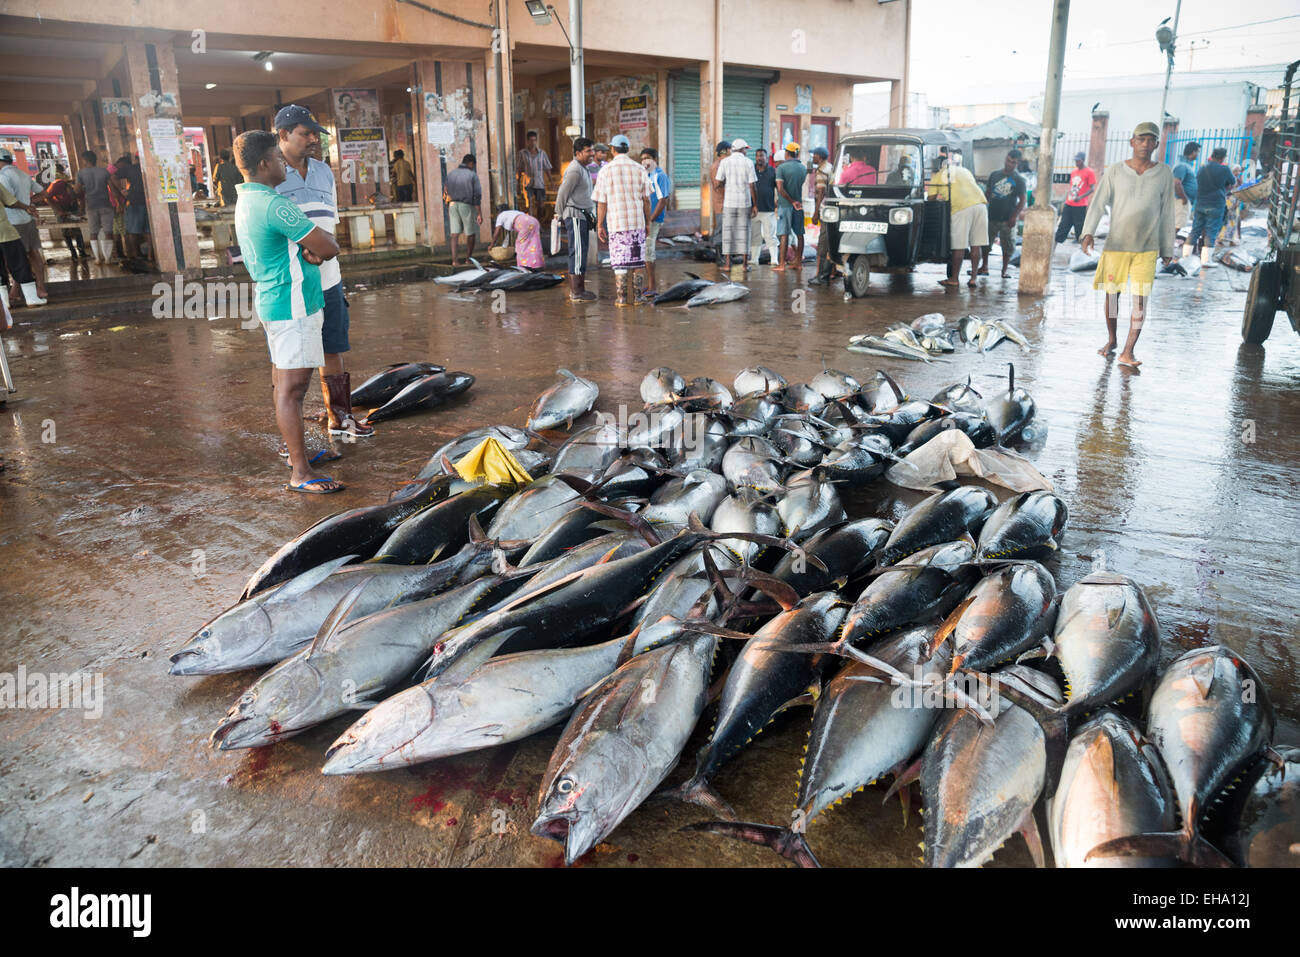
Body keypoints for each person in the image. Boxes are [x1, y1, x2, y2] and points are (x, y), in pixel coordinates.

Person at [232, 130, 344, 493]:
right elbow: (327, 246)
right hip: (292, 304)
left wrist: (307, 251)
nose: (284, 163)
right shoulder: (275, 204)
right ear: (265, 164)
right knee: (292, 389)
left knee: (287, 383)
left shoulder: (248, 199)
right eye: (278, 159)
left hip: (277, 299)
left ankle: (302, 457)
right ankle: (299, 472)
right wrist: (315, 250)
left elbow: (305, 248)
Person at [275, 103, 373, 440]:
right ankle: (292, 436)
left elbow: (328, 224)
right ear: (283, 134)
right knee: (293, 358)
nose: (313, 139)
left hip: (329, 275)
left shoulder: (323, 171)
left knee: (333, 346)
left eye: (315, 133)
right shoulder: (269, 174)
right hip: (294, 280)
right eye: (305, 133)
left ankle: (340, 417)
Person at [1080, 122, 1176, 371]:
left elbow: (1168, 211)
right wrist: (1088, 232)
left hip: (1147, 248)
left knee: (1140, 301)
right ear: (1131, 142)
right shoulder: (1115, 171)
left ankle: (1128, 350)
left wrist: (1167, 247)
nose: (1145, 144)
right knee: (1112, 296)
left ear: (1156, 144)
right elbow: (1099, 201)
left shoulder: (1164, 173)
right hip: (1116, 246)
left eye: (1150, 140)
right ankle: (1112, 340)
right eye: (1141, 139)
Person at [592, 133, 652, 306]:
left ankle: (622, 298)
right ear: (628, 149)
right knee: (638, 260)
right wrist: (648, 222)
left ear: (612, 149)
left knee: (619, 262)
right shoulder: (639, 168)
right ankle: (639, 297)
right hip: (636, 222)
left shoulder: (605, 170)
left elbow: (601, 201)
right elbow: (646, 200)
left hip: (616, 223)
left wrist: (599, 224)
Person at [926, 154, 988, 287]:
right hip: (980, 205)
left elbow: (930, 200)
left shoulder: (937, 177)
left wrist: (940, 197)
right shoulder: (965, 171)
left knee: (958, 246)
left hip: (961, 208)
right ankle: (973, 278)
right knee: (976, 244)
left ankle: (954, 279)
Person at [0, 149, 49, 300]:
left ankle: (18, 292)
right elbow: (43, 193)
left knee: (15, 259)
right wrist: (29, 204)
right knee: (34, 254)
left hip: (12, 223)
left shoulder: (2, 176)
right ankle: (40, 287)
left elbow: (8, 201)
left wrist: (24, 205)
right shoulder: (23, 174)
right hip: (28, 220)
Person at [557, 137, 597, 302]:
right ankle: (577, 292)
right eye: (588, 151)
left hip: (582, 216)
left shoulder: (584, 168)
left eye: (592, 151)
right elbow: (562, 193)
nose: (592, 154)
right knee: (578, 252)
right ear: (578, 153)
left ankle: (580, 290)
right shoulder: (574, 169)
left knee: (582, 251)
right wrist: (558, 215)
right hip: (574, 215)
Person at [714, 138, 758, 275]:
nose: (746, 151)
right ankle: (744, 265)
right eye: (746, 149)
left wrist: (725, 185)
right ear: (742, 149)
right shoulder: (749, 163)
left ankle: (727, 265)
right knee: (744, 233)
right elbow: (752, 185)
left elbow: (718, 182)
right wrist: (755, 204)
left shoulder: (725, 162)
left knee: (728, 233)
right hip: (744, 203)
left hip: (729, 203)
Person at [0, 178, 44, 307]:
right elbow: (10, 201)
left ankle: (3, 304)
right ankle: (31, 299)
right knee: (20, 263)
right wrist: (26, 207)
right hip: (5, 233)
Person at [1188, 146, 1234, 266]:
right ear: (1223, 157)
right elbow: (1232, 182)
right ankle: (1206, 260)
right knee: (1211, 231)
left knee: (1195, 230)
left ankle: (1186, 257)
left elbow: (1197, 182)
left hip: (1201, 203)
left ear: (1212, 155)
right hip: (1216, 204)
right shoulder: (1225, 169)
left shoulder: (1202, 169)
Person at [986, 149, 1026, 279]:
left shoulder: (1019, 179)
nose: (1010, 164)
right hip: (992, 215)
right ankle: (984, 266)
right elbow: (988, 193)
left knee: (1007, 246)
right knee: (986, 243)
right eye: (1008, 161)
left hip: (1007, 218)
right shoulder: (994, 175)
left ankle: (1004, 270)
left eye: (1013, 163)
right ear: (1005, 159)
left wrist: (1014, 216)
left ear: (1017, 164)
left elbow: (1022, 201)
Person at [640, 147, 672, 294]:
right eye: (642, 159)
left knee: (649, 252)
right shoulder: (647, 175)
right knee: (646, 252)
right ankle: (650, 284)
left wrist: (650, 219)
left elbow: (663, 200)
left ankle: (653, 287)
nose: (644, 161)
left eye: (647, 158)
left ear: (654, 159)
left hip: (653, 219)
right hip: (646, 218)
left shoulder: (660, 175)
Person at [444, 153, 483, 267]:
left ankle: (455, 261)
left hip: (452, 205)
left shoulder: (451, 173)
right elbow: (477, 195)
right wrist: (479, 213)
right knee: (470, 233)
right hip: (466, 205)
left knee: (454, 234)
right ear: (471, 163)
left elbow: (445, 189)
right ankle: (468, 259)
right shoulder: (472, 175)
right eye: (473, 165)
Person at [75, 150, 114, 264]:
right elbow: (112, 188)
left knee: (93, 232)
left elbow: (77, 190)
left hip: (91, 205)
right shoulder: (104, 171)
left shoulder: (81, 173)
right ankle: (108, 258)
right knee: (108, 231)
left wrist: (82, 189)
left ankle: (97, 258)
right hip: (105, 205)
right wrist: (119, 202)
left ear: (86, 160)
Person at [773, 142, 807, 272]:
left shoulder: (781, 168)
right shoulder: (803, 168)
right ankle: (798, 263)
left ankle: (781, 264)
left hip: (786, 205)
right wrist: (795, 201)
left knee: (784, 234)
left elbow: (780, 189)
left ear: (787, 153)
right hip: (799, 205)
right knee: (800, 234)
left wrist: (790, 201)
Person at [44, 167, 87, 261]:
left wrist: (81, 212)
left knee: (77, 227)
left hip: (72, 207)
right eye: (72, 196)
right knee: (65, 229)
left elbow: (82, 201)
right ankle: (72, 252)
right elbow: (47, 198)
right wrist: (59, 211)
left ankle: (82, 251)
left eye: (74, 196)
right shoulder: (57, 185)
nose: (73, 197)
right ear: (68, 189)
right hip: (59, 205)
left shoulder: (79, 189)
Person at [113, 154, 150, 262]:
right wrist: (122, 191)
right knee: (138, 231)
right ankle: (136, 254)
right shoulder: (131, 168)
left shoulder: (137, 168)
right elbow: (112, 176)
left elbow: (113, 176)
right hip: (137, 201)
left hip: (139, 201)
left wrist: (122, 191)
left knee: (137, 230)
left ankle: (137, 254)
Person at [1054, 151, 1095, 244]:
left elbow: (1092, 188)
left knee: (1079, 229)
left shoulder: (1089, 172)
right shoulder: (1074, 172)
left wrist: (1080, 197)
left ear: (1083, 160)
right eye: (1075, 161)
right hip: (1069, 203)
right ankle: (1052, 251)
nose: (1077, 163)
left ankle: (1083, 251)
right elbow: (1071, 186)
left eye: (1078, 161)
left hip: (1080, 205)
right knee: (1062, 227)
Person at [809, 146, 836, 285]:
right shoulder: (830, 167)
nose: (812, 157)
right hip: (831, 209)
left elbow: (821, 192)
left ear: (819, 156)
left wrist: (816, 212)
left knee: (823, 243)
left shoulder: (821, 170)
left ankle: (821, 276)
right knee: (829, 240)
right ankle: (829, 273)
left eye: (814, 155)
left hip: (824, 209)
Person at [749, 148, 779, 267]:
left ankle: (774, 260)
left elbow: (778, 187)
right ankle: (754, 259)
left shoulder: (772, 171)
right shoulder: (752, 170)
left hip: (768, 209)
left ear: (766, 158)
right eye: (757, 156)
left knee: (770, 235)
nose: (759, 158)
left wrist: (777, 201)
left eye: (761, 156)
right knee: (755, 235)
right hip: (753, 209)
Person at [517, 131, 552, 225]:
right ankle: (531, 225)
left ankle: (539, 223)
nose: (533, 143)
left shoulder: (542, 153)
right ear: (527, 141)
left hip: (539, 183)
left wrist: (551, 182)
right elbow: (519, 168)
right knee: (530, 204)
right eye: (531, 140)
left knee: (541, 205)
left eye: (534, 140)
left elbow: (547, 168)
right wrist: (517, 184)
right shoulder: (522, 153)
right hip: (528, 183)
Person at [1171, 141, 1200, 249]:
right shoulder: (1182, 166)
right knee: (1176, 225)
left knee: (1177, 224)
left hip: (1182, 199)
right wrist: (1184, 198)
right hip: (1180, 200)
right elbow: (1176, 182)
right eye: (1197, 152)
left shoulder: (1186, 165)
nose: (1197, 154)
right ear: (1192, 152)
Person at [708, 140, 731, 262]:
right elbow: (717, 184)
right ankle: (719, 257)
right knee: (721, 230)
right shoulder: (717, 166)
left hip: (726, 203)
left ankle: (725, 256)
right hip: (721, 203)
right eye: (730, 149)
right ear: (725, 151)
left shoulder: (724, 164)